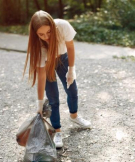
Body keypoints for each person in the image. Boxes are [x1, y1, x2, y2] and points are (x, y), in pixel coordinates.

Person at [23, 10, 91, 148]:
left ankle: (74, 116)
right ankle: (57, 131)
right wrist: (39, 104)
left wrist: (71, 70)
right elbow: (41, 76)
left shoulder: (62, 26)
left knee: (72, 90)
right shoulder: (39, 47)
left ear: (53, 27)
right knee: (53, 99)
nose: (46, 37)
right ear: (35, 33)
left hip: (63, 58)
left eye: (48, 32)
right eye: (41, 34)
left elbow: (70, 47)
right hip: (47, 63)